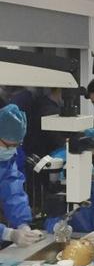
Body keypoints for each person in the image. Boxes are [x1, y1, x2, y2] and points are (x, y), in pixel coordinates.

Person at [0, 104, 43, 247]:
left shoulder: (6, 159)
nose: (12, 150)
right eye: (8, 146)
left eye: (17, 145)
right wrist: (7, 234)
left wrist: (22, 224)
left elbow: (13, 191)